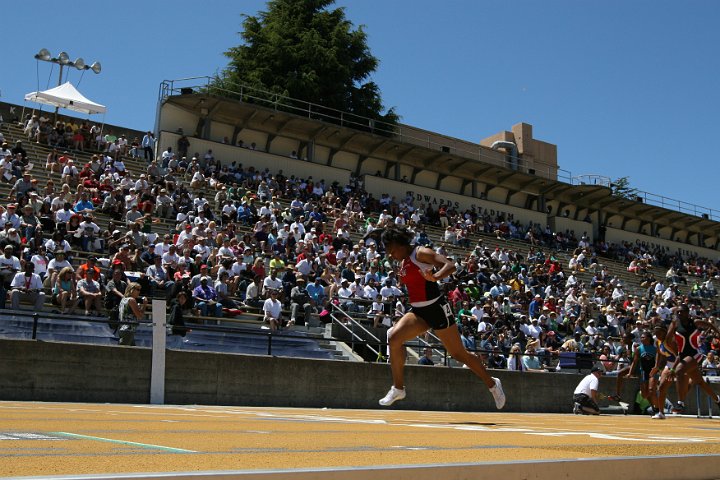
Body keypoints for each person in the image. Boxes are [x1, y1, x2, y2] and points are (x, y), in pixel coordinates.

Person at [365, 225, 505, 409]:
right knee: (393, 337)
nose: (391, 255)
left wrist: (435, 276)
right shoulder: (404, 261)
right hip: (418, 312)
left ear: (400, 244)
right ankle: (398, 388)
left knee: (458, 354)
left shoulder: (420, 253)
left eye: (392, 251)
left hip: (436, 309)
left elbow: (450, 265)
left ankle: (493, 384)